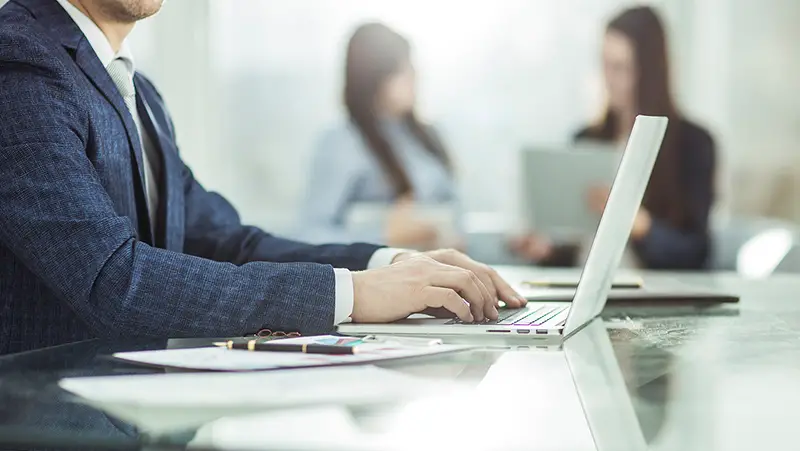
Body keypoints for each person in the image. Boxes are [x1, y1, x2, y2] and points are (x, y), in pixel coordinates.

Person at [0, 0, 526, 355]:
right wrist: (351, 294)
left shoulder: (141, 95)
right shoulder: (20, 59)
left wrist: (390, 264)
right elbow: (112, 281)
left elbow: (225, 242)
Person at [512, 6, 716, 270]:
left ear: (648, 70)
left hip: (653, 294)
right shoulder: (586, 139)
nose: (609, 79)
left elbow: (695, 253)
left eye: (620, 67)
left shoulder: (693, 144)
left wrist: (638, 224)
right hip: (580, 287)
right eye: (605, 65)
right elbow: (578, 245)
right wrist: (547, 250)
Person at [297, 23, 460, 250]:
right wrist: (381, 237)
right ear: (374, 77)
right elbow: (310, 234)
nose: (415, 75)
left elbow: (457, 217)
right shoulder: (341, 142)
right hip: (390, 274)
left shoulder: (427, 136)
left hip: (445, 269)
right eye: (402, 68)